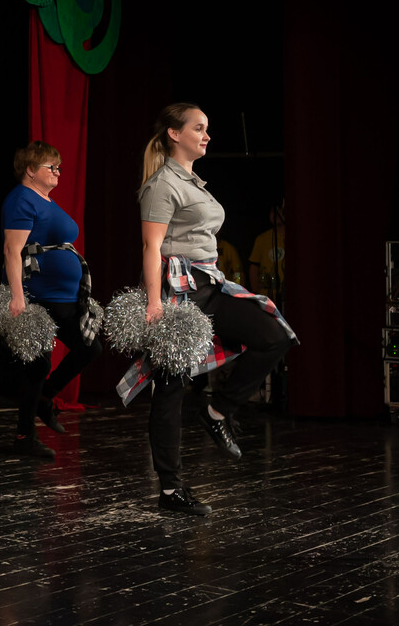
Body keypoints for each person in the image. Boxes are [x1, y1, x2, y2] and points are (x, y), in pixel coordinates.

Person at [136, 103, 296, 515]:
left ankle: (217, 410)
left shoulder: (194, 183)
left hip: (209, 283)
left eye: (207, 129)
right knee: (170, 387)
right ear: (175, 134)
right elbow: (152, 247)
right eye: (199, 128)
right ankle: (170, 490)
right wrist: (154, 303)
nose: (207, 136)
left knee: (274, 335)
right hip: (178, 290)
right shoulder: (161, 185)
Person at [1, 141, 102, 459]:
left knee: (89, 348)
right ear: (31, 170)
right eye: (51, 167)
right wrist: (17, 297)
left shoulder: (45, 200)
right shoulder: (22, 199)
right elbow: (12, 250)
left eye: (59, 167)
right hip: (37, 295)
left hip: (64, 296)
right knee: (38, 363)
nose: (58, 171)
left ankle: (45, 399)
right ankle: (24, 435)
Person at [248, 199, 286, 301]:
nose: (276, 214)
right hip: (267, 296)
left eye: (279, 210)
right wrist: (255, 292)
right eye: (273, 211)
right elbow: (254, 267)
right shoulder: (262, 238)